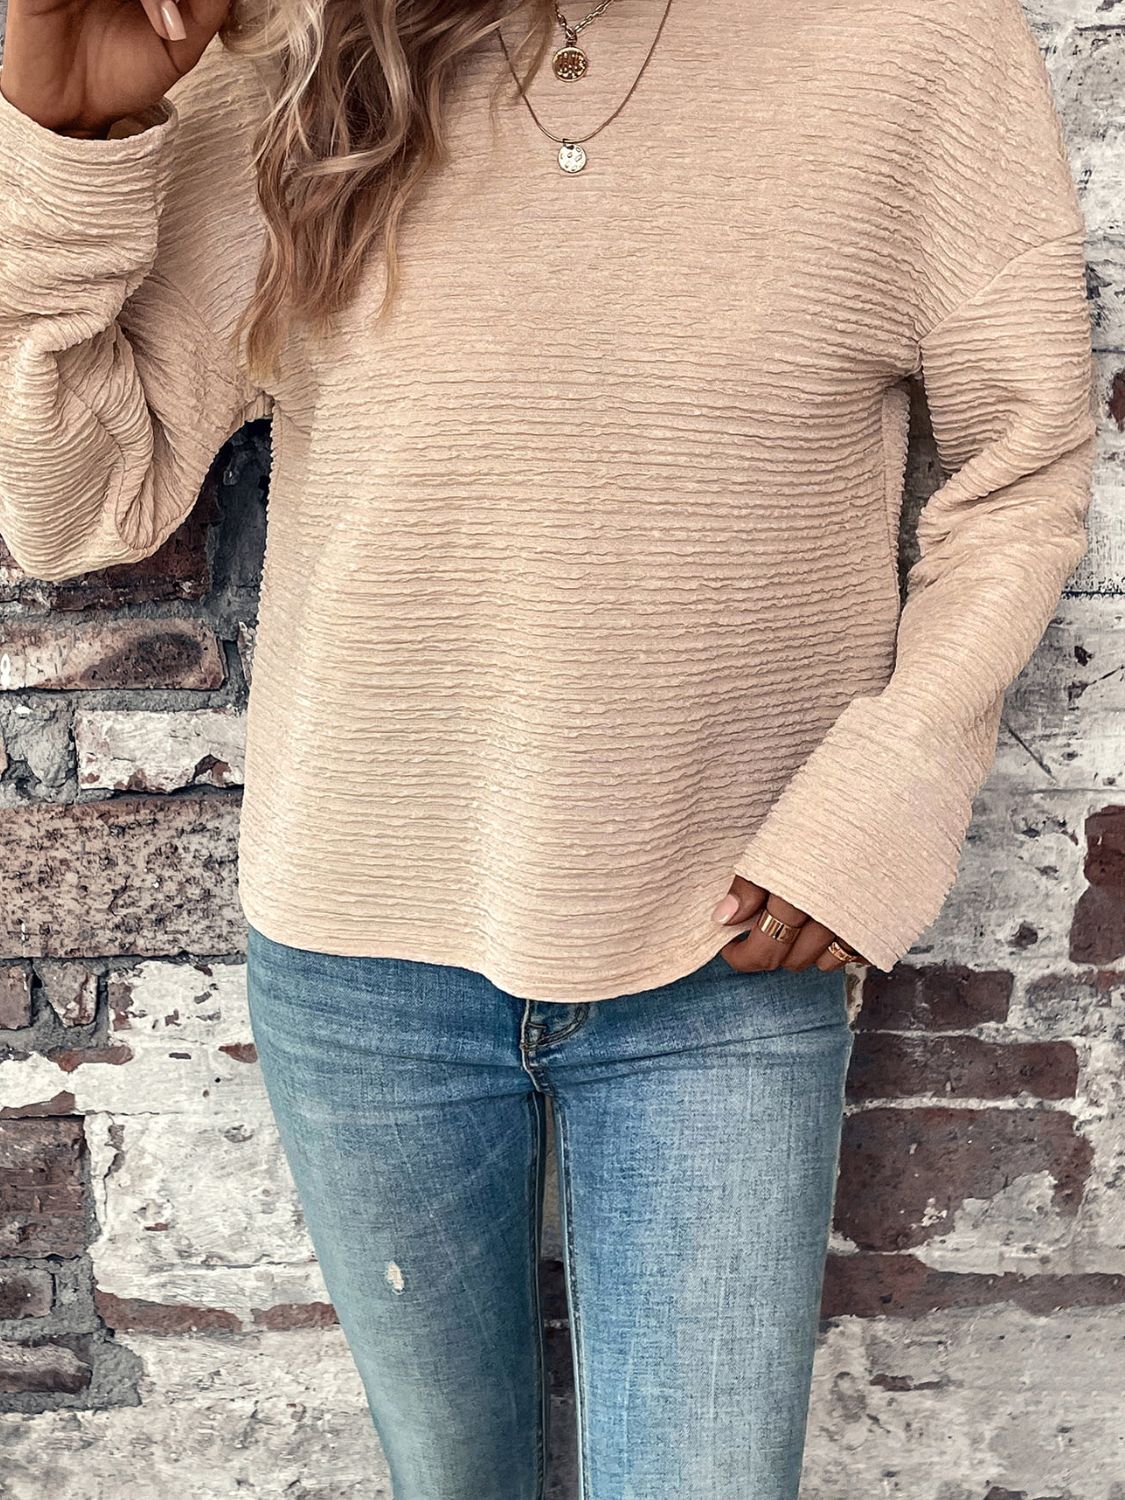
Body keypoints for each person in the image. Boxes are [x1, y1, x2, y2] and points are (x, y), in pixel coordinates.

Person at [0, 0, 1096, 1496]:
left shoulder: (918, 42)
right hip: (359, 955)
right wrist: (73, 142)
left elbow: (1023, 470)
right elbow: (79, 508)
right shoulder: (295, 44)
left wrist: (889, 785)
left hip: (728, 949)